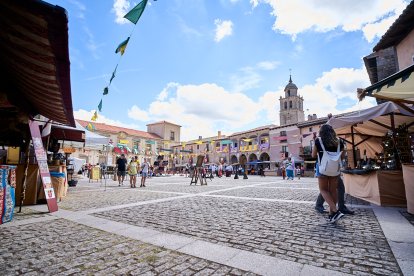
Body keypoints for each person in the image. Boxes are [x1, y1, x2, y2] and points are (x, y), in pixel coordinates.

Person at [312, 124, 345, 223]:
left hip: (323, 168)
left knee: (323, 190)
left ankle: (335, 210)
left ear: (321, 132)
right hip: (335, 169)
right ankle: (332, 215)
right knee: (333, 190)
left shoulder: (319, 140)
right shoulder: (340, 141)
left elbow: (313, 155)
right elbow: (342, 157)